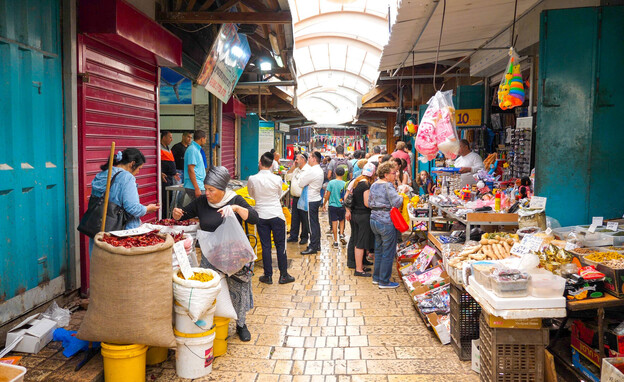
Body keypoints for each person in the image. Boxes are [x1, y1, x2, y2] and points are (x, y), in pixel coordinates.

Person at [172, 166, 258, 342]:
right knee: (209, 290)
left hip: (233, 255)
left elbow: (255, 217)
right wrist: (177, 213)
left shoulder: (235, 199)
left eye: (211, 190)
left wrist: (235, 209)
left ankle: (241, 324)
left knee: (238, 290)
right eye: (206, 188)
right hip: (210, 256)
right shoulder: (202, 202)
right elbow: (183, 215)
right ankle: (209, 321)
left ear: (222, 189)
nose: (207, 193)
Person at [89, 148, 160, 253]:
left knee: (100, 264)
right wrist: (148, 209)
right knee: (119, 266)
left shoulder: (103, 174)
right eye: (139, 168)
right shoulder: (126, 177)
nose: (138, 172)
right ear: (132, 163)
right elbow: (133, 208)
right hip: (118, 234)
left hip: (97, 229)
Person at [248, 152, 296, 285]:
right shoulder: (277, 179)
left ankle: (268, 276)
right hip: (276, 215)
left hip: (261, 216)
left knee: (266, 246)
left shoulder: (252, 178)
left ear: (260, 163)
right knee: (281, 245)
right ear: (271, 165)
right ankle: (284, 275)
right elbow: (279, 194)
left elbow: (251, 194)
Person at [368, 161, 403, 288]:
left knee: (379, 250)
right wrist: (402, 195)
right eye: (393, 173)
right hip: (386, 221)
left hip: (374, 219)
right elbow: (397, 202)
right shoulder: (388, 186)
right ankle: (384, 281)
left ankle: (376, 277)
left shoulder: (374, 185)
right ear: (386, 174)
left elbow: (369, 202)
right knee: (388, 251)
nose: (395, 175)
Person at [346, 163, 376, 277]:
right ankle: (358, 269)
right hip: (363, 216)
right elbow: (367, 203)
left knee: (357, 240)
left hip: (355, 215)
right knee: (361, 243)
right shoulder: (366, 185)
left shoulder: (356, 182)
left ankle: (359, 266)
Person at [298, 151, 324, 255]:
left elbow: (301, 183)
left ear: (314, 159)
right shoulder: (319, 170)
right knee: (315, 223)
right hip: (316, 198)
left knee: (311, 224)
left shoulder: (312, 171)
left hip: (311, 200)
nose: (308, 159)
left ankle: (313, 246)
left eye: (309, 157)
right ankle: (316, 244)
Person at [287, 153, 310, 245]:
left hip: (304, 197)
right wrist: (293, 167)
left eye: (297, 159)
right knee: (295, 218)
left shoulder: (308, 170)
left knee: (304, 218)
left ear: (303, 159)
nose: (295, 161)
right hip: (295, 197)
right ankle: (293, 236)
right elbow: (288, 177)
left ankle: (304, 237)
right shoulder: (296, 170)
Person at [323, 167, 347, 248]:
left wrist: (324, 203)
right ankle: (341, 234)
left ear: (335, 173)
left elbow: (328, 194)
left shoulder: (331, 183)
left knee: (334, 222)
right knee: (342, 221)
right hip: (342, 205)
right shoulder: (345, 184)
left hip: (332, 205)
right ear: (343, 174)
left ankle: (336, 241)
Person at [184, 130, 208, 202]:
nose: (205, 141)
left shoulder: (196, 149)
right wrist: (197, 188)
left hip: (199, 185)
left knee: (200, 210)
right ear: (202, 139)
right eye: (205, 139)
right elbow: (190, 169)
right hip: (195, 186)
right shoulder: (192, 150)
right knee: (201, 209)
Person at [160, 130, 179, 214]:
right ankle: (164, 217)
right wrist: (160, 173)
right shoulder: (159, 148)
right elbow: (157, 162)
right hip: (164, 178)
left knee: (170, 199)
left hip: (171, 178)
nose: (171, 139)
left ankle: (168, 215)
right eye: (170, 137)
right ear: (164, 137)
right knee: (165, 199)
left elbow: (169, 162)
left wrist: (174, 173)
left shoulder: (168, 149)